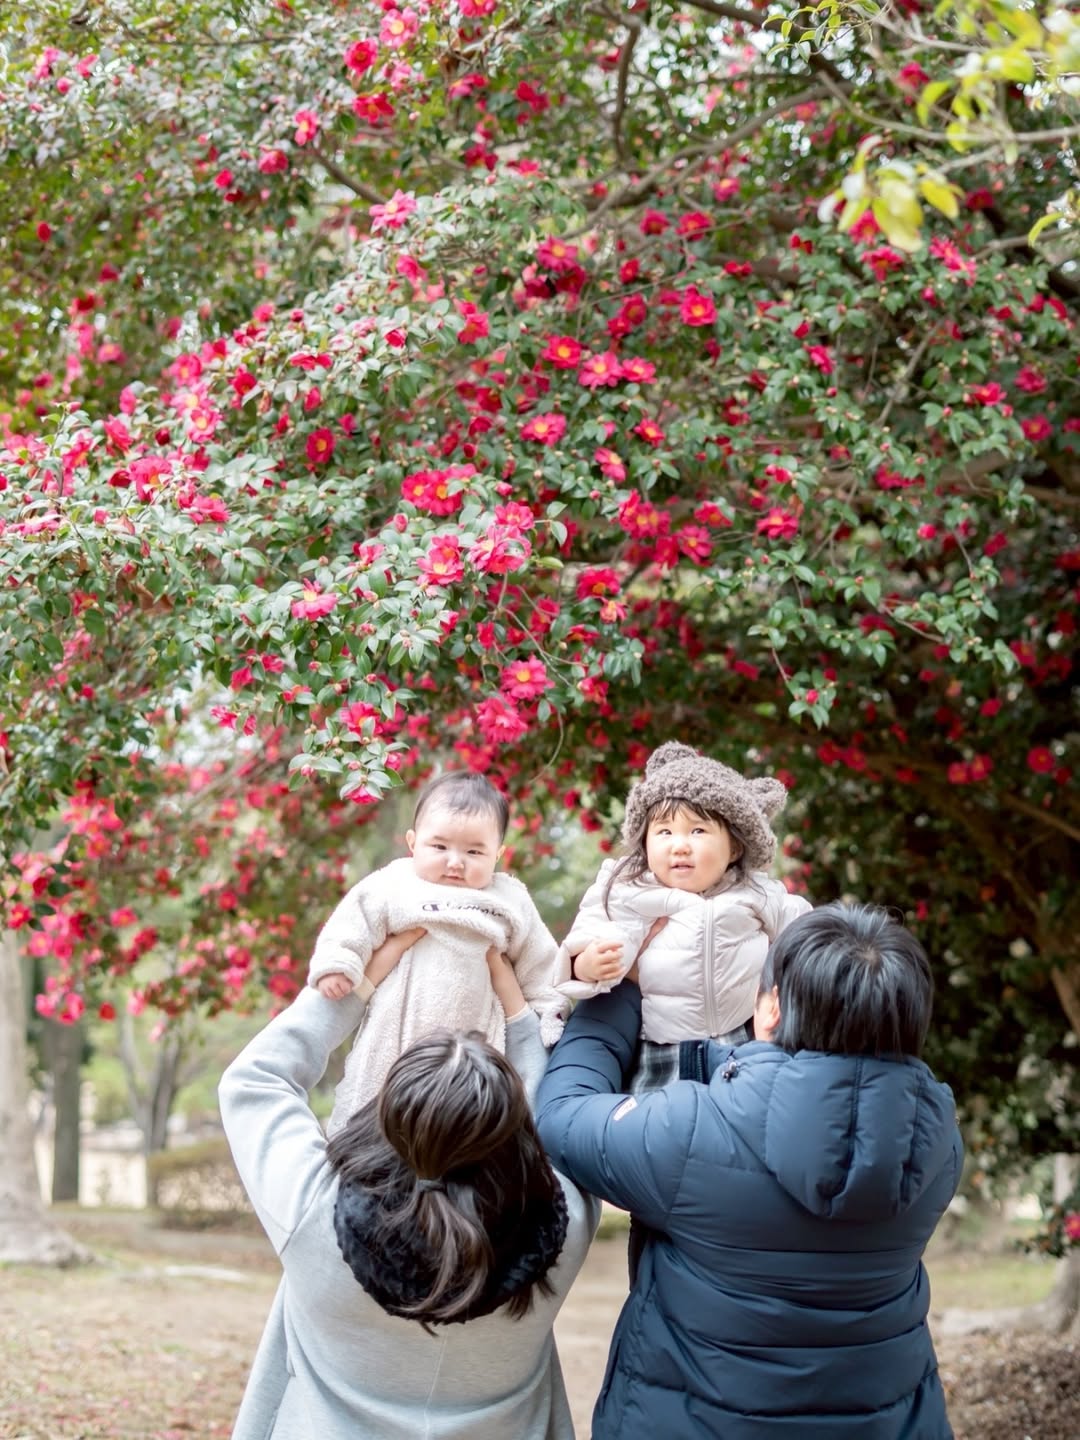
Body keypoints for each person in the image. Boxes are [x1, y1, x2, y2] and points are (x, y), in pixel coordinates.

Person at [536, 902, 963, 1440]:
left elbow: (560, 1114)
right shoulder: (938, 1146)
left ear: (773, 1010)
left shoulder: (688, 1132)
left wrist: (622, 987)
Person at [220, 937, 600, 1440]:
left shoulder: (315, 1210)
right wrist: (521, 1021)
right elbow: (554, 1125)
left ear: (389, 1117)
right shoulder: (561, 1228)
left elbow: (254, 1080)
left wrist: (355, 987)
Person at [309, 769, 566, 1130]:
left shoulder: (508, 899)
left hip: (477, 1040)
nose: (455, 862)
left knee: (471, 1121)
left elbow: (539, 960)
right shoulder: (394, 884)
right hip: (395, 1029)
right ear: (413, 842)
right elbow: (352, 922)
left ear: (498, 854)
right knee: (373, 1105)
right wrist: (339, 963)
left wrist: (549, 1012)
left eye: (475, 851)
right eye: (440, 847)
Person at [556, 741, 812, 1092]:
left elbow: (803, 931)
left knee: (748, 1118)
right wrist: (585, 963)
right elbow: (598, 927)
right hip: (664, 1047)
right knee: (659, 1126)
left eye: (698, 831)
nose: (679, 845)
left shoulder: (754, 892)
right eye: (664, 831)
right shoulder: (634, 890)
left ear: (734, 846)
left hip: (744, 1038)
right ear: (644, 841)